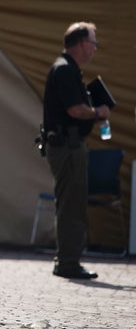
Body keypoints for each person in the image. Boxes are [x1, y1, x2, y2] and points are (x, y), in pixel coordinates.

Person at [42, 21, 110, 279]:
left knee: (72, 204)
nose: (95, 48)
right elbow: (74, 110)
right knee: (72, 207)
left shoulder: (68, 69)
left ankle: (68, 260)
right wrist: (98, 112)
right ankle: (68, 263)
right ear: (81, 44)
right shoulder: (65, 70)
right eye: (93, 42)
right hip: (67, 147)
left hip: (68, 146)